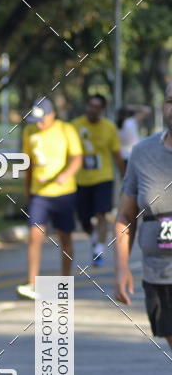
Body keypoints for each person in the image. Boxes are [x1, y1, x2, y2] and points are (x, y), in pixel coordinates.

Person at [115, 82, 172, 351]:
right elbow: (126, 215)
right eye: (171, 100)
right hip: (158, 275)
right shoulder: (143, 153)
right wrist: (123, 268)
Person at [17, 97, 83, 300]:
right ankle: (32, 283)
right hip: (40, 193)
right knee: (34, 237)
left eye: (42, 119)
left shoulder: (66, 129)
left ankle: (65, 280)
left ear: (52, 114)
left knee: (65, 237)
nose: (39, 124)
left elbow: (77, 158)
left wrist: (65, 174)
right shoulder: (30, 132)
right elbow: (28, 162)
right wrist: (27, 187)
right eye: (35, 120)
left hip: (63, 193)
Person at [72, 94, 125, 266]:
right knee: (84, 219)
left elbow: (117, 155)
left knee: (102, 213)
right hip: (81, 179)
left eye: (96, 107)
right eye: (90, 105)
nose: (92, 109)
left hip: (103, 177)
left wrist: (126, 177)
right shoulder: (75, 126)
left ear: (102, 110)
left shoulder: (109, 128)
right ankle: (93, 236)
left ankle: (98, 250)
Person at [117, 104, 151, 169]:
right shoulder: (130, 122)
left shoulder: (117, 125)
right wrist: (134, 107)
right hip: (134, 155)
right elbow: (147, 110)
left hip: (123, 156)